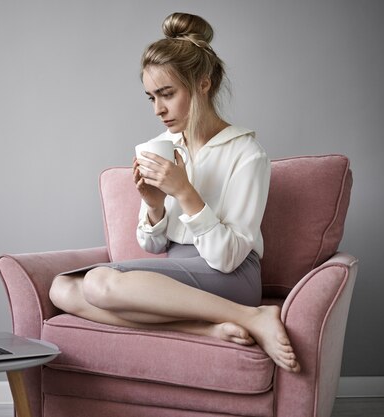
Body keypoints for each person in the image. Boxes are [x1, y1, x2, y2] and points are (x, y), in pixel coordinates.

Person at [49, 12, 300, 373]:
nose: (158, 110)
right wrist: (153, 207)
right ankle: (206, 327)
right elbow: (153, 247)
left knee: (98, 282)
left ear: (203, 84)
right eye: (151, 97)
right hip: (179, 273)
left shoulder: (246, 153)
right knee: (62, 288)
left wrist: (184, 192)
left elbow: (227, 258)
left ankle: (253, 315)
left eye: (167, 94)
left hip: (231, 275)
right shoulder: (162, 146)